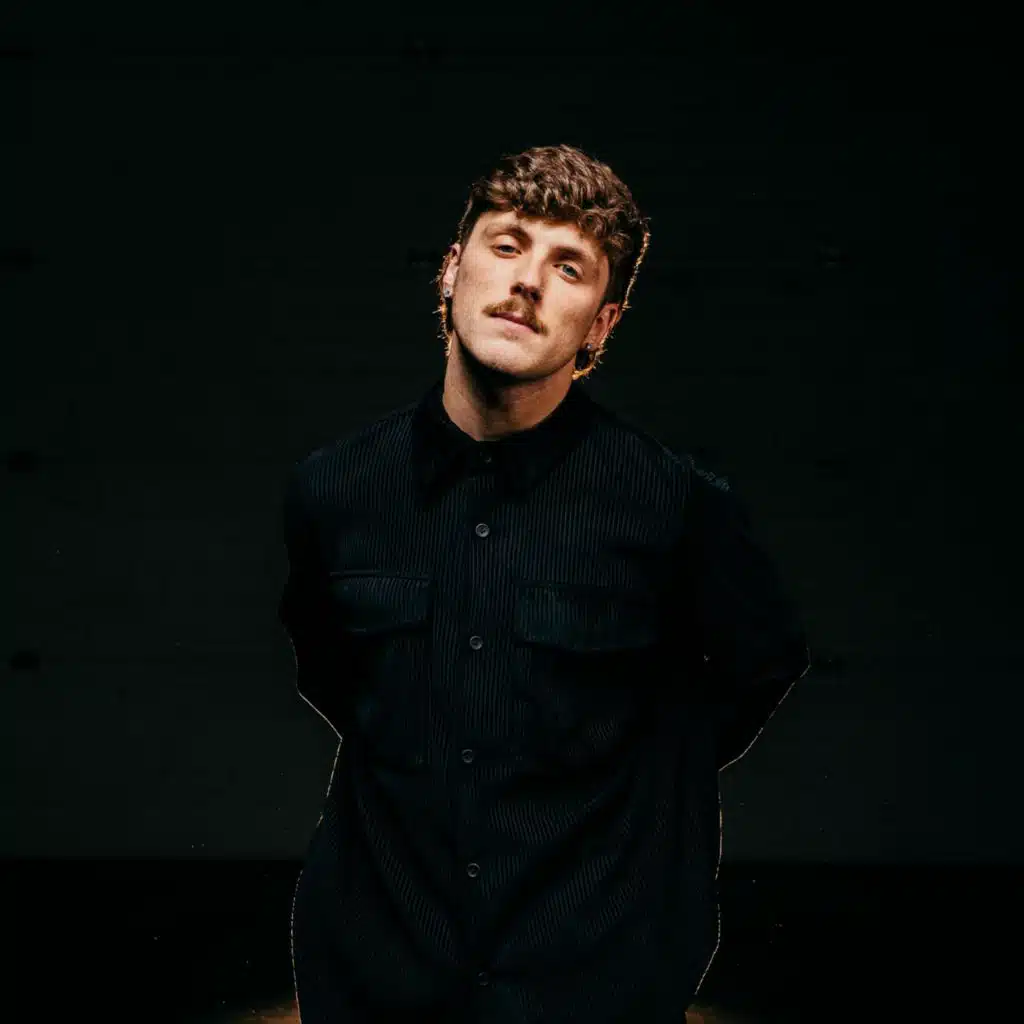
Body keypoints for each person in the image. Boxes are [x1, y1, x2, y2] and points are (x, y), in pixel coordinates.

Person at [278, 143, 811, 1023]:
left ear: (601, 323)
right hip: (380, 967)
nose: (527, 281)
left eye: (569, 267)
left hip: (592, 975)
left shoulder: (674, 505)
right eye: (507, 245)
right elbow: (329, 670)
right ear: (451, 270)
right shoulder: (336, 489)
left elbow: (758, 668)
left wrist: (622, 793)